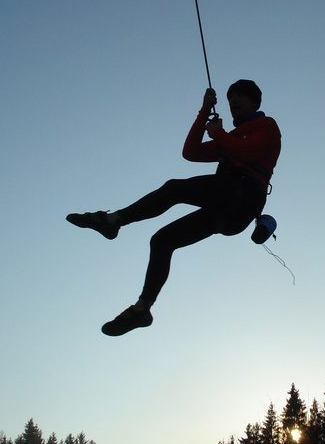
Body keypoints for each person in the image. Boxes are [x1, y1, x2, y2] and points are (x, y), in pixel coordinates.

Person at [67, 79, 282, 336]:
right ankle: (142, 308)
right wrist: (204, 113)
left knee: (174, 189)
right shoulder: (229, 137)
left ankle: (113, 221)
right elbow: (190, 152)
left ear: (255, 101)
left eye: (240, 97)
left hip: (243, 197)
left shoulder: (267, 127)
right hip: (225, 208)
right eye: (230, 97)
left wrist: (217, 134)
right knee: (162, 240)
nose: (233, 101)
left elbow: (247, 152)